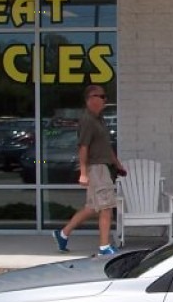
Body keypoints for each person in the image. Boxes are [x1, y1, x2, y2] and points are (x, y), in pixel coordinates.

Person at [52, 85, 126, 256]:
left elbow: (106, 146)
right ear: (91, 98)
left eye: (105, 96)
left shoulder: (99, 119)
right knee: (106, 207)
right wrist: (83, 173)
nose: (105, 100)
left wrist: (117, 164)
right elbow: (83, 147)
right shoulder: (87, 120)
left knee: (92, 207)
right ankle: (104, 247)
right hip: (97, 169)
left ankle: (63, 234)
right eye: (102, 96)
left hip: (104, 166)